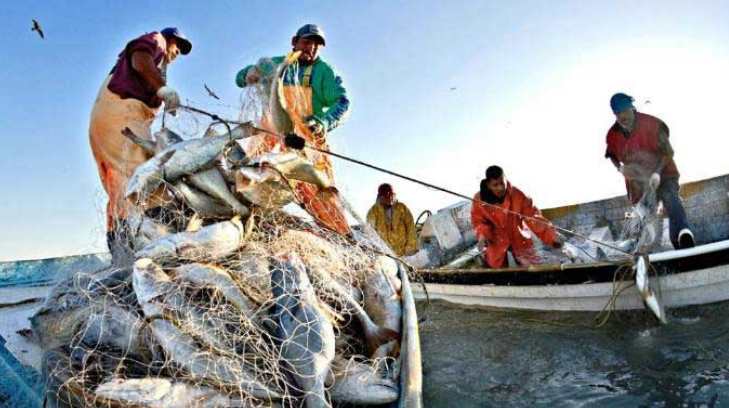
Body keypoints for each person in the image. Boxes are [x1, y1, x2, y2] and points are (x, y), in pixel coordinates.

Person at [235, 24, 351, 235]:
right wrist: (248, 74)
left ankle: (339, 233)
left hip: (307, 141)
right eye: (307, 42)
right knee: (249, 176)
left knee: (321, 193)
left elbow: (342, 103)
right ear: (294, 42)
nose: (312, 48)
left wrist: (323, 123)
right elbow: (239, 78)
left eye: (317, 45)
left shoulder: (324, 72)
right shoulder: (276, 64)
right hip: (271, 135)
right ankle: (246, 222)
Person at [89, 27, 191, 257]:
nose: (177, 53)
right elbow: (139, 58)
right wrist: (163, 89)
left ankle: (120, 254)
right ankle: (144, 253)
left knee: (120, 187)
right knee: (143, 180)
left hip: (107, 119)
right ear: (170, 39)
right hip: (121, 115)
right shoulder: (157, 41)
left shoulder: (158, 66)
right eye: (178, 46)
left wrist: (160, 95)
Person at [604, 92, 695, 249]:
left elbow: (669, 151)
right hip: (638, 184)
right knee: (643, 216)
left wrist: (657, 173)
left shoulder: (653, 124)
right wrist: (620, 168)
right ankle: (639, 248)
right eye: (617, 113)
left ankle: (683, 235)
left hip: (664, 174)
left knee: (671, 201)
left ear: (633, 108)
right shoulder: (613, 135)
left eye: (624, 111)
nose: (621, 116)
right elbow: (611, 155)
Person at [470, 166, 562, 268]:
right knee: (495, 269)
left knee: (532, 267)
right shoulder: (479, 199)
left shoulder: (518, 195)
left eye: (502, 183)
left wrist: (552, 237)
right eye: (495, 185)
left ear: (505, 178)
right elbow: (478, 221)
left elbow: (533, 218)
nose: (500, 188)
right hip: (495, 240)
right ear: (488, 185)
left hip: (518, 236)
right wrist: (483, 235)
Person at [366, 184, 418, 256]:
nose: (389, 198)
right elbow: (370, 232)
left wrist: (410, 248)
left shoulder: (402, 208)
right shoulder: (373, 212)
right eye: (386, 197)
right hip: (385, 255)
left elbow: (411, 228)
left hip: (404, 254)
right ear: (380, 197)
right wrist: (376, 250)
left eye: (391, 196)